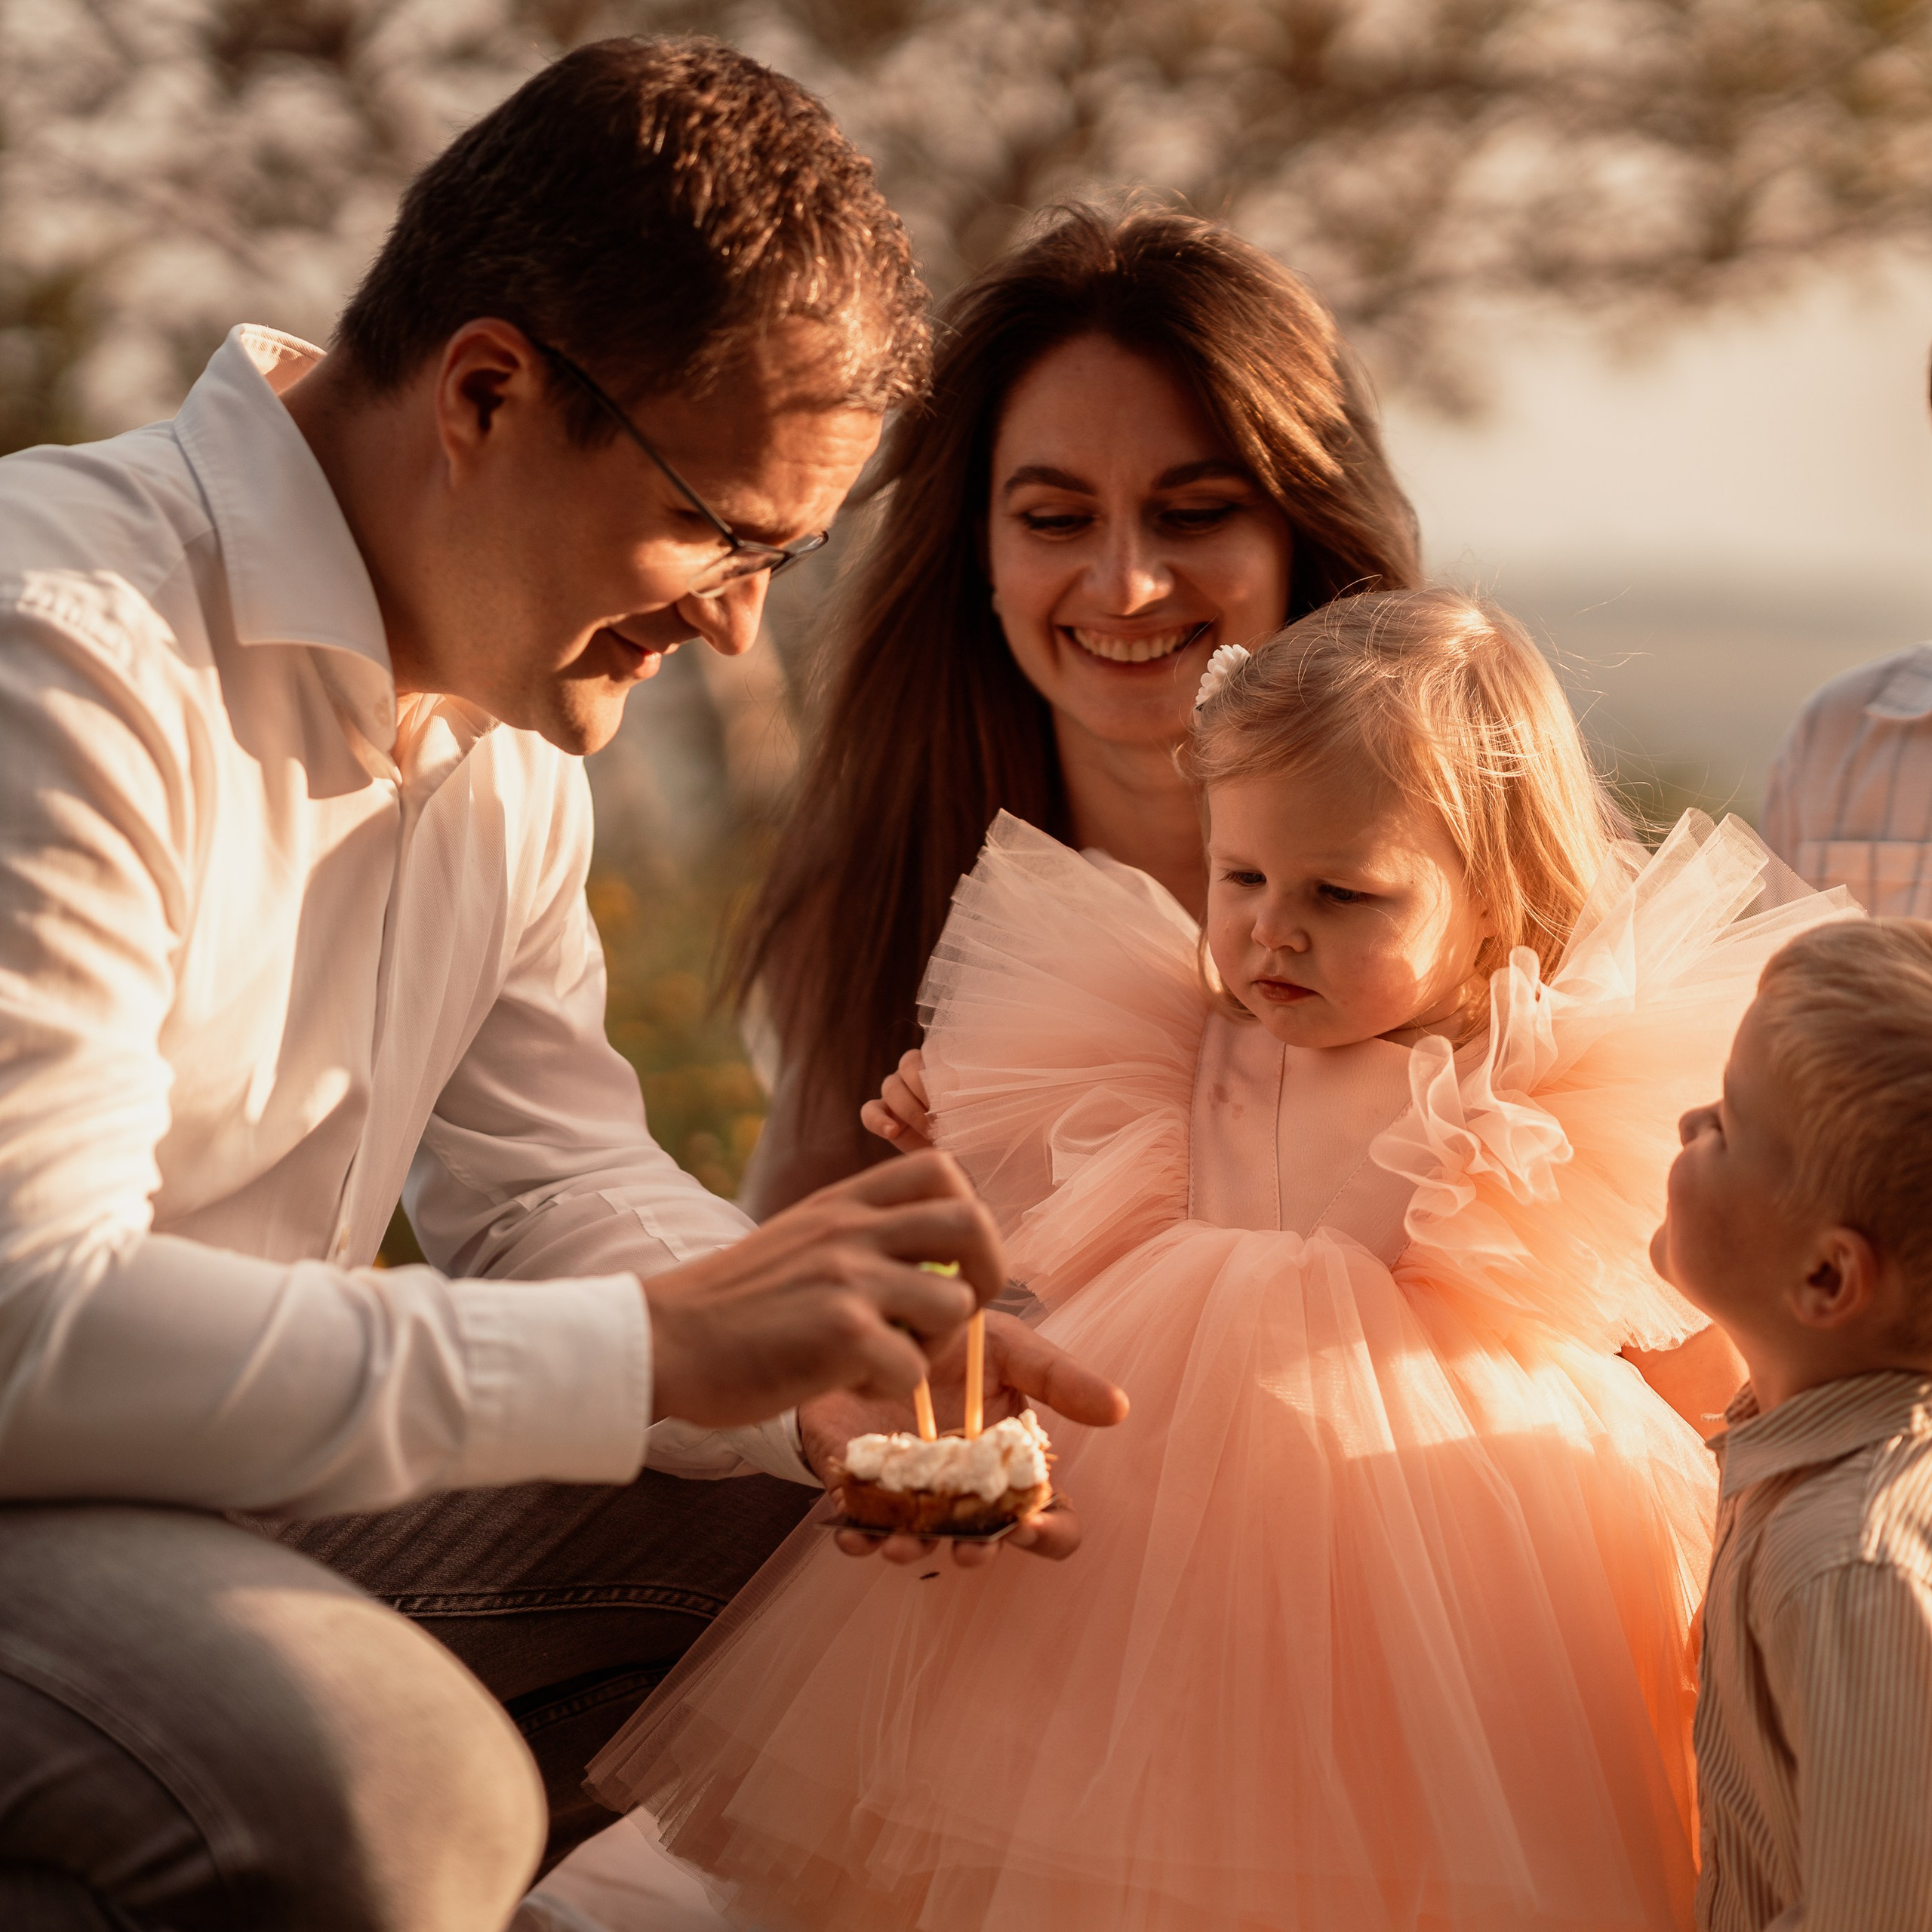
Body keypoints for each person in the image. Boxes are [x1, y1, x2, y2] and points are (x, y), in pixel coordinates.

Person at [0, 38, 1124, 1930]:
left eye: (790, 551)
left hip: (207, 1495)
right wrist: (654, 1353)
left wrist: (811, 1382)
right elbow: (35, 1338)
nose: (740, 614)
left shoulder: (503, 712)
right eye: (719, 525)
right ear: (488, 390)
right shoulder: (67, 655)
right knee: (396, 1787)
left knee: (853, 1570)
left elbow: (543, 1186)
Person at [590, 589, 1849, 1930]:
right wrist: (949, 1126)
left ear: (1492, 905)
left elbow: (1691, 1341)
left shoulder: (1530, 1092)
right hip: (1145, 1517)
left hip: (1451, 1555)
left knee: (1414, 1843)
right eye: (1239, 877)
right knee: (1080, 1805)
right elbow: (1045, 1209)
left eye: (1342, 894)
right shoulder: (1170, 1037)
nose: (1270, 930)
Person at [731, 202, 1421, 1219]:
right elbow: (779, 1288)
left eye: (1195, 514)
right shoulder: (882, 896)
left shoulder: (1478, 872)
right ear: (980, 552)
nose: (1127, 585)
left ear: (1302, 535)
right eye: (1056, 520)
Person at [1651, 918, 1932, 1932]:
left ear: (1824, 1276)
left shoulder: (1846, 1565)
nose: (1688, 1121)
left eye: (1725, 1122)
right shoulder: (1788, 1446)